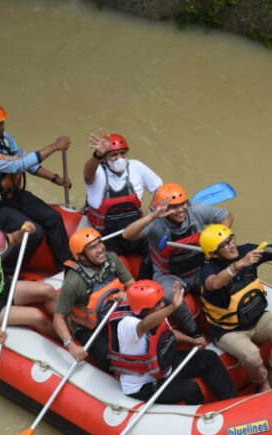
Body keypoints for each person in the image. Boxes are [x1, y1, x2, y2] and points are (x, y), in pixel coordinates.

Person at [198, 224, 272, 392]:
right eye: (224, 245)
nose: (231, 245)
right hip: (228, 330)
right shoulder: (208, 269)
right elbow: (214, 283)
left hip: (256, 318)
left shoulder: (247, 250)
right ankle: (262, 382)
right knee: (252, 356)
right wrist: (238, 265)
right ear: (213, 253)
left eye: (230, 240)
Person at [0, 101, 73, 274]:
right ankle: (7, 271)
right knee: (34, 233)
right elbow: (18, 166)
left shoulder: (5, 138)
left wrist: (55, 179)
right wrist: (53, 146)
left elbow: (26, 161)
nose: (1, 127)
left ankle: (67, 267)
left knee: (53, 218)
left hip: (14, 195)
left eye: (2, 122)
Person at [122, 182, 233, 339]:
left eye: (183, 204)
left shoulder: (197, 210)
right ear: (163, 208)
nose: (181, 210)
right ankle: (195, 332)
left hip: (199, 268)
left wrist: (217, 240)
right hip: (169, 274)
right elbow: (127, 235)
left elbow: (227, 216)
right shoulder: (155, 222)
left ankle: (225, 321)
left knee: (223, 284)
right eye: (174, 207)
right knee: (169, 295)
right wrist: (153, 215)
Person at [112, 280, 237, 405]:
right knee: (190, 388)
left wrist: (192, 341)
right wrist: (172, 307)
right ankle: (204, 417)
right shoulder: (126, 325)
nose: (162, 305)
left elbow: (168, 332)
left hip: (166, 365)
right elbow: (144, 325)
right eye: (158, 304)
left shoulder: (156, 313)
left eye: (162, 301)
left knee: (209, 358)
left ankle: (232, 402)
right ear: (144, 309)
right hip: (143, 385)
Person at [52, 227, 135, 372]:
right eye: (92, 247)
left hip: (115, 313)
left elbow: (132, 285)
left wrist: (127, 294)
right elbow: (58, 318)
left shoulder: (112, 259)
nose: (100, 249)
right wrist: (70, 345)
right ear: (82, 256)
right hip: (90, 328)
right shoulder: (73, 282)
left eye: (100, 243)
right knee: (106, 356)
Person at [83, 129, 163, 279]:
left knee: (156, 247)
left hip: (135, 232)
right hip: (107, 237)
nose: (119, 158)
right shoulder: (98, 172)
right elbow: (87, 175)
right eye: (114, 155)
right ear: (105, 157)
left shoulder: (136, 167)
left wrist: (150, 213)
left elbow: (159, 188)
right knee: (110, 264)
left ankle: (143, 284)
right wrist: (97, 156)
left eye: (123, 154)